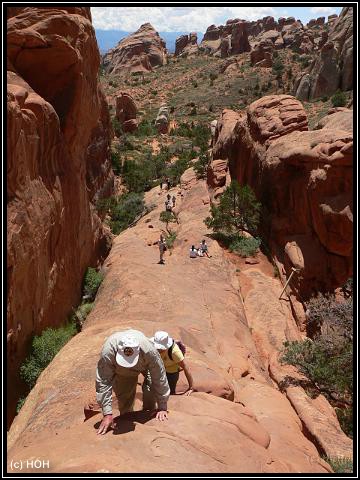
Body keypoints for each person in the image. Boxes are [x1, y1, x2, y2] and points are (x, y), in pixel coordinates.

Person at [96, 329, 170, 435]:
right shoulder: (108, 352)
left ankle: (148, 411)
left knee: (150, 387)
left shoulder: (149, 350)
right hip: (122, 371)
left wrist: (162, 406)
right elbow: (103, 381)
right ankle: (127, 417)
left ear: (138, 350)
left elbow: (159, 376)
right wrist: (107, 413)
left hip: (144, 364)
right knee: (125, 398)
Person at [150, 331, 194, 396]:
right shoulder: (150, 344)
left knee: (169, 392)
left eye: (160, 348)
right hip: (158, 367)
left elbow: (185, 367)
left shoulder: (174, 352)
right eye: (157, 347)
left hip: (171, 371)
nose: (158, 349)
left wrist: (191, 387)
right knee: (153, 389)